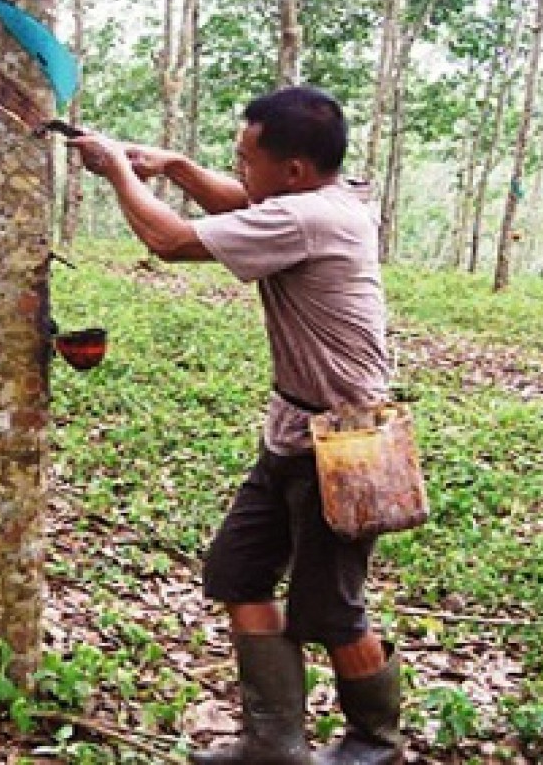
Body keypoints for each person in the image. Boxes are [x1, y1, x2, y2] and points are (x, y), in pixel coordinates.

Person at [67, 85, 404, 765]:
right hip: (293, 429)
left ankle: (377, 742)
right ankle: (274, 743)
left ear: (296, 172)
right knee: (238, 572)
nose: (240, 168)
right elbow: (242, 204)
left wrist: (119, 171)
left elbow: (169, 240)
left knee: (333, 611)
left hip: (348, 443)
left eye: (247, 158)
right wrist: (180, 168)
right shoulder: (325, 201)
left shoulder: (312, 218)